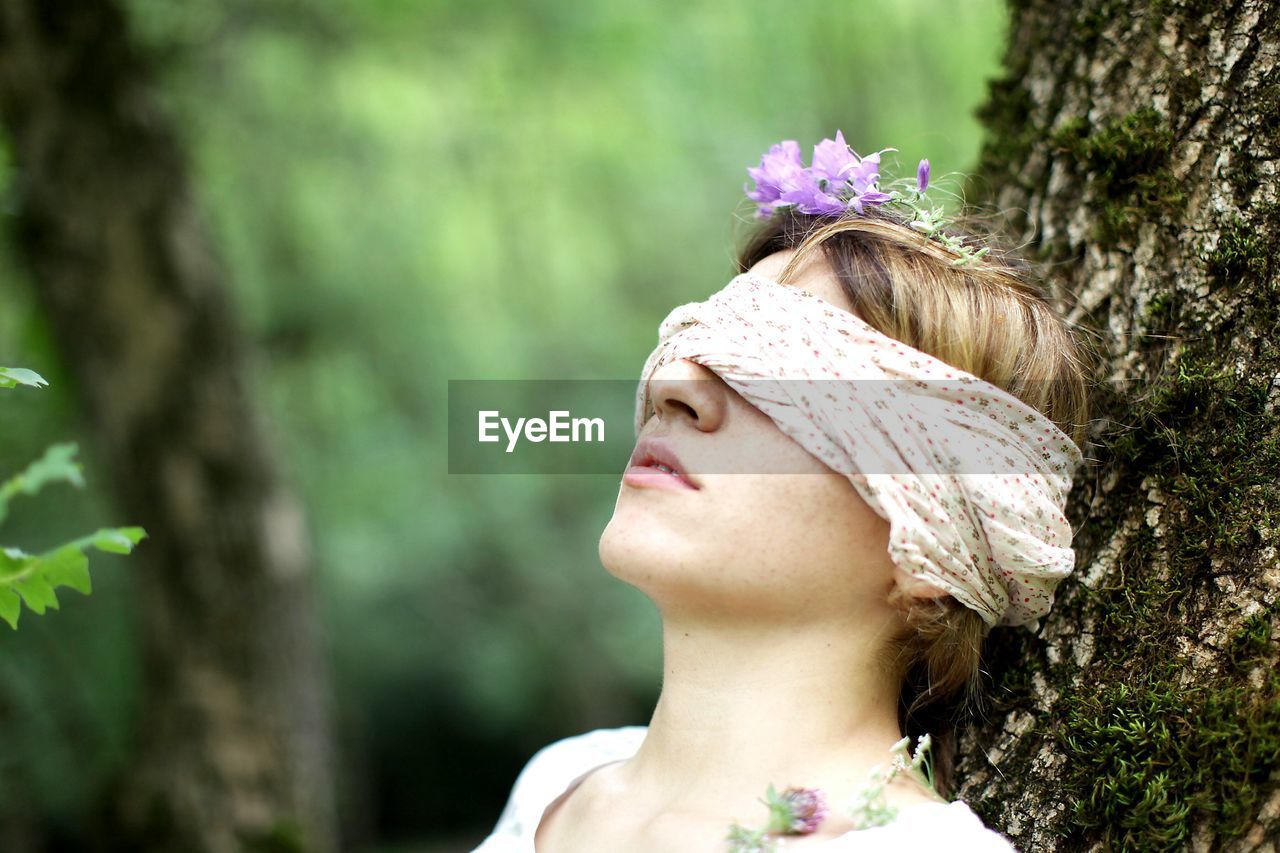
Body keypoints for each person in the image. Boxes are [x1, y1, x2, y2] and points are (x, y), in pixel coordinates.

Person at [472, 133, 1092, 852]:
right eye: (694, 340)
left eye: (774, 369)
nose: (673, 388)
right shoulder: (557, 784)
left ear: (933, 542)